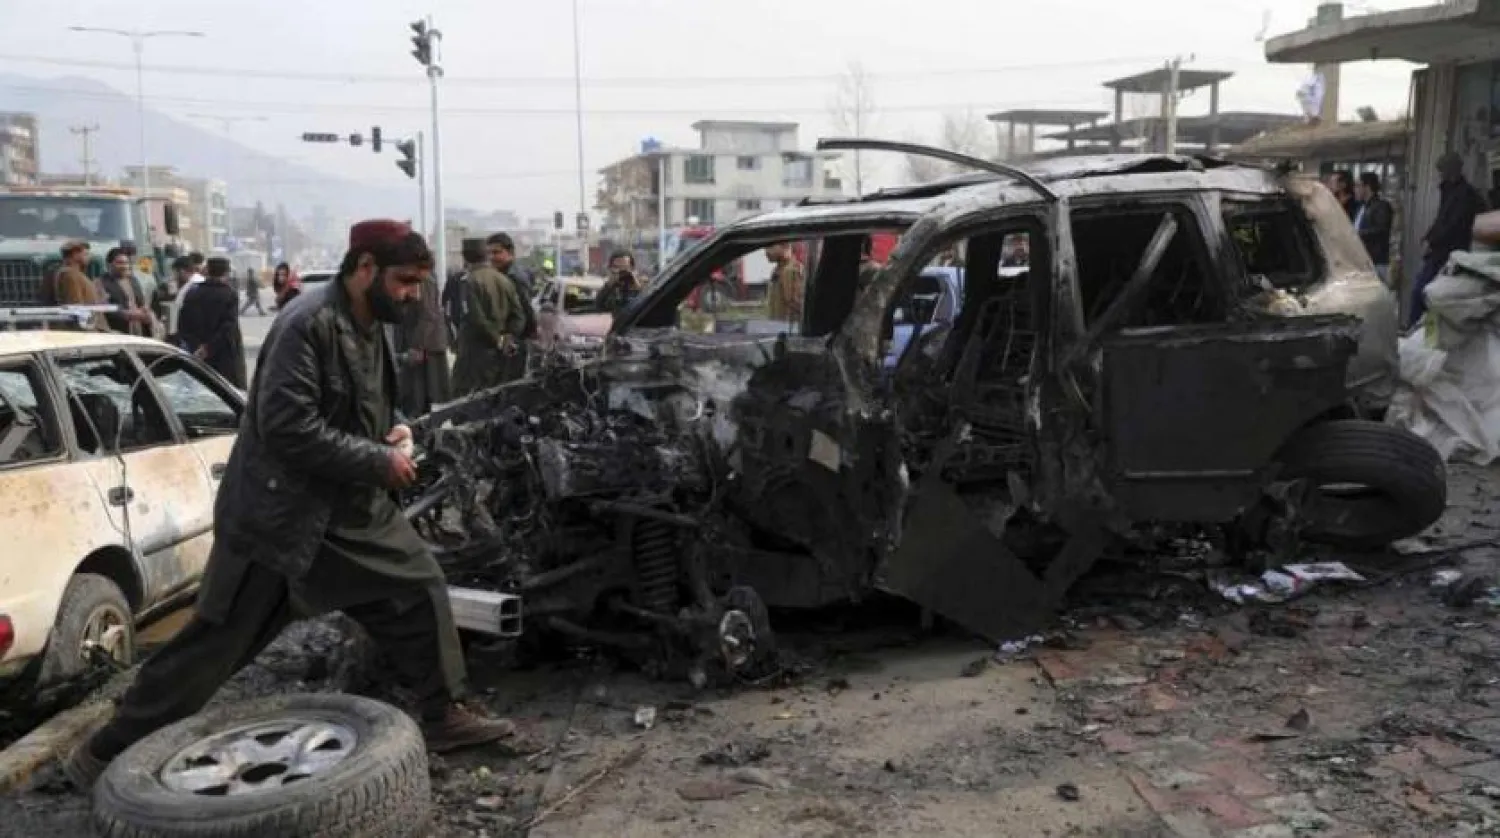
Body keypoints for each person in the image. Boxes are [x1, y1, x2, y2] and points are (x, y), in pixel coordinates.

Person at [64, 220, 520, 792]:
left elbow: (368, 407)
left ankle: (442, 712)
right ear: (364, 269)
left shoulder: (371, 322)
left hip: (346, 511)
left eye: (419, 284)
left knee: (415, 586)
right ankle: (103, 751)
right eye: (404, 281)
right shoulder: (306, 324)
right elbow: (288, 427)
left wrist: (395, 430)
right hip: (280, 518)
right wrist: (377, 462)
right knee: (216, 644)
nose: (412, 295)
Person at [1410, 151, 1488, 326]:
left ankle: (1416, 329)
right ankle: (1420, 331)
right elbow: (1441, 219)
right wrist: (1428, 236)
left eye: (1442, 171)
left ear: (1451, 171)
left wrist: (1432, 241)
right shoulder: (1451, 191)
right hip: (1443, 252)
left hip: (1450, 254)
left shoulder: (1465, 195)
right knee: (1429, 294)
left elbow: (1453, 225)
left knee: (1424, 293)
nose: (1440, 175)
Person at [451, 233, 526, 395]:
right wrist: (508, 337)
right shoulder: (504, 280)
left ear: (465, 257)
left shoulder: (469, 281)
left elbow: (475, 318)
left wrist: (498, 339)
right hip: (499, 355)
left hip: (474, 354)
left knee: (464, 401)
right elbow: (519, 316)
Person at [178, 257, 247, 388]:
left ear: (207, 271)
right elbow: (228, 327)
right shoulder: (229, 294)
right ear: (226, 273)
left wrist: (197, 347)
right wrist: (209, 347)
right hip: (223, 357)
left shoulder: (193, 293)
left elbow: (183, 325)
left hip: (197, 355)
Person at [392, 267, 451, 417]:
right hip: (417, 342)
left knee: (420, 398)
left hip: (424, 346)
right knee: (415, 396)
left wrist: (417, 346)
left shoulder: (423, 279)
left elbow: (428, 315)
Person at [97, 248, 155, 336]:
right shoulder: (101, 283)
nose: (124, 266)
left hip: (139, 331)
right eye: (120, 263)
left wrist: (146, 312)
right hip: (116, 333)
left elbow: (141, 302)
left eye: (126, 263)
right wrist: (129, 315)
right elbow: (103, 309)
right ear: (109, 264)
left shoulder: (133, 280)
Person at [1354, 172, 1395, 284]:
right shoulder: (1362, 207)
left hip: (1376, 260)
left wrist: (1357, 235)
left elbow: (1381, 230)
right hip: (1364, 260)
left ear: (1366, 187)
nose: (1355, 189)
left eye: (1358, 185)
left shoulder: (1381, 206)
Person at [765, 241, 805, 324]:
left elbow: (796, 303)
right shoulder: (777, 270)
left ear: (785, 246)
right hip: (776, 328)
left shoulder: (791, 270)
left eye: (770, 247)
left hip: (788, 329)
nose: (766, 251)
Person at [163, 257, 194, 342]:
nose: (174, 275)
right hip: (177, 331)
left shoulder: (193, 286)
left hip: (186, 333)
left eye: (175, 272)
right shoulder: (177, 285)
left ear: (181, 271)